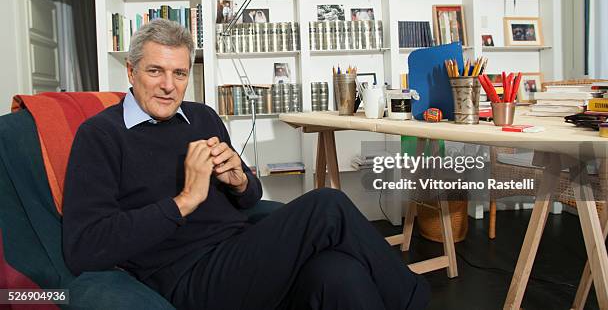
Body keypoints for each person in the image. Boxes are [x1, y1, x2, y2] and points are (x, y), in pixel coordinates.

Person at [62, 19, 430, 310]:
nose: (169, 86)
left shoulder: (201, 117)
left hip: (241, 251)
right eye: (155, 71)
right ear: (131, 72)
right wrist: (184, 202)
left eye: (179, 73)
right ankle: (416, 302)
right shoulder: (101, 135)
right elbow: (84, 247)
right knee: (327, 204)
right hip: (185, 278)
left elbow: (251, 195)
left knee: (340, 274)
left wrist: (240, 180)